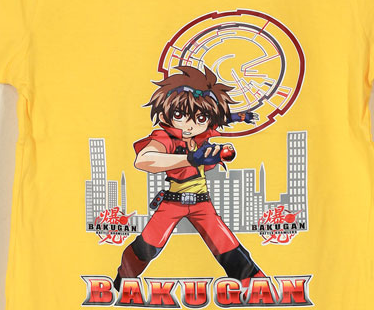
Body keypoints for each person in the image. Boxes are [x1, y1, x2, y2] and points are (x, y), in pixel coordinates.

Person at [112, 64, 267, 293]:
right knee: (147, 248)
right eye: (179, 115)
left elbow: (215, 120)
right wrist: (190, 159)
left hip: (202, 203)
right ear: (166, 114)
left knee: (227, 247)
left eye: (200, 117)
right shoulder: (165, 137)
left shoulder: (201, 134)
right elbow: (143, 160)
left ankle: (257, 288)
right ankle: (121, 282)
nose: (190, 124)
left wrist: (238, 117)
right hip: (173, 202)